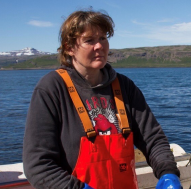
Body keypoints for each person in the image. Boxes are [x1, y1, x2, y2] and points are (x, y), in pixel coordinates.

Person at [23, 9, 181, 189]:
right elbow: (38, 164)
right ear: (69, 47)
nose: (99, 46)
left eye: (103, 38)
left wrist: (168, 173)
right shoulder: (51, 88)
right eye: (89, 40)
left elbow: (152, 139)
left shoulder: (124, 86)